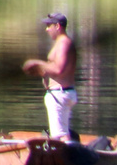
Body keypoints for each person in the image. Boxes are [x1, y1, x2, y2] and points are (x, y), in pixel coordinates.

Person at [22, 12, 79, 141]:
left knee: (61, 135)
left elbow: (59, 69)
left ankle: (69, 159)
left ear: (58, 26)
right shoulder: (61, 43)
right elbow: (57, 70)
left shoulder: (63, 43)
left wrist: (37, 63)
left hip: (59, 94)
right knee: (59, 134)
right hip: (61, 93)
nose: (47, 29)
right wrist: (40, 71)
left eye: (49, 26)